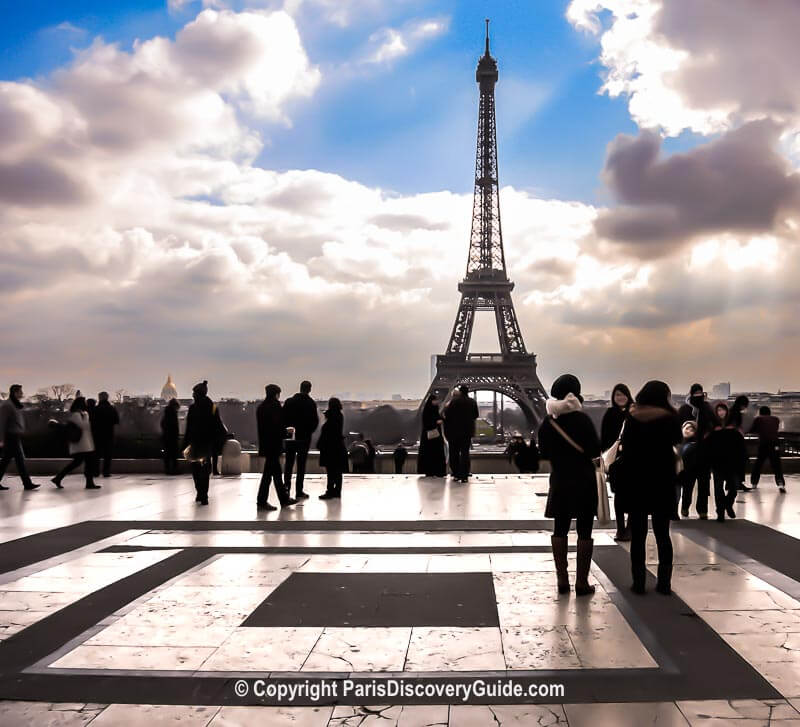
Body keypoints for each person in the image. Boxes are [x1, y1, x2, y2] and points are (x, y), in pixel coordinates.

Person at [537, 374, 600, 597]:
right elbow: (594, 451)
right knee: (584, 530)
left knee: (560, 527)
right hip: (583, 478)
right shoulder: (583, 420)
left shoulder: (549, 422)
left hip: (561, 478)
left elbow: (543, 452)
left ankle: (562, 580)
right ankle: (581, 581)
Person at [618, 381, 681, 595]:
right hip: (662, 480)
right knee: (663, 534)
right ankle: (664, 583)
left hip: (637, 481)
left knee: (638, 536)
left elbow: (625, 449)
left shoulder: (632, 416)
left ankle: (638, 582)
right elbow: (677, 440)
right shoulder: (670, 417)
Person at [677, 383, 719, 519]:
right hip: (689, 452)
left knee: (703, 483)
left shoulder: (706, 408)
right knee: (689, 483)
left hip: (703, 452)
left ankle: (702, 510)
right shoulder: (686, 409)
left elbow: (715, 425)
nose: (698, 396)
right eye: (696, 393)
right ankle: (685, 506)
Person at [601, 383, 633, 541]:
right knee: (619, 496)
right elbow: (604, 439)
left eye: (623, 394)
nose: (620, 398)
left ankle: (629, 528)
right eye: (617, 395)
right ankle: (621, 528)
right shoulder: (610, 414)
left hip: (632, 461)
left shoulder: (634, 413)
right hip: (616, 463)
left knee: (633, 496)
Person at [256, 384, 296, 511]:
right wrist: (287, 432)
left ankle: (281, 499)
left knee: (273, 474)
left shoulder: (261, 408)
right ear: (276, 394)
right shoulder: (275, 407)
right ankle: (265, 500)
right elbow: (277, 427)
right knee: (271, 475)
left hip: (266, 445)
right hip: (274, 445)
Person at [183, 381, 223, 505]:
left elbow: (189, 427)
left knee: (195, 469)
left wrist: (186, 442)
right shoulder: (213, 407)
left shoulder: (193, 408)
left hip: (195, 442)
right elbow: (217, 425)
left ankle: (200, 492)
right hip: (207, 442)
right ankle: (204, 494)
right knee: (205, 469)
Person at [52, 397, 100, 489]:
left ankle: (58, 478)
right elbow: (83, 426)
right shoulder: (76, 415)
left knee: (80, 463)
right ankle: (88, 483)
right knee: (82, 463)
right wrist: (87, 417)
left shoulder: (82, 414)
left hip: (85, 444)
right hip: (80, 444)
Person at [282, 380, 319, 500]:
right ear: (309, 389)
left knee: (288, 464)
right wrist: (307, 432)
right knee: (301, 465)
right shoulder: (311, 403)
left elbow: (283, 418)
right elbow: (315, 422)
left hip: (290, 438)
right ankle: (299, 491)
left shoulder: (289, 402)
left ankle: (286, 489)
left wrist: (288, 431)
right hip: (304, 438)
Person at [0, 384, 40, 491]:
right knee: (18, 461)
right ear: (15, 392)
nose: (22, 394)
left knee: (7, 461)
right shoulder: (7, 405)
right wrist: (1, 439)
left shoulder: (14, 404)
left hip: (15, 436)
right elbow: (2, 423)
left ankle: (27, 484)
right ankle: (27, 484)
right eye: (20, 392)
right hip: (11, 437)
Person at [707, 412, 746, 522]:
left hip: (730, 464)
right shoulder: (715, 433)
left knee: (733, 489)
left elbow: (742, 450)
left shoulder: (734, 433)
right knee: (720, 489)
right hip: (719, 464)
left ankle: (726, 505)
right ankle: (721, 511)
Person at [443, 385, 479, 483]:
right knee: (465, 454)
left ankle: (456, 474)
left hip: (453, 432)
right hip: (467, 432)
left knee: (453, 453)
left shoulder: (453, 402)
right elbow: (476, 415)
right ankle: (464, 475)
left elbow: (447, 416)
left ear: (460, 392)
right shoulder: (472, 402)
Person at [750, 406, 786, 493]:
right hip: (775, 444)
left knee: (759, 464)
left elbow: (752, 430)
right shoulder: (776, 419)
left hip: (764, 444)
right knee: (776, 465)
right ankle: (781, 484)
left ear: (760, 412)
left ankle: (754, 483)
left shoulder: (758, 419)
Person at [317, 397, 347, 499]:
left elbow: (326, 433)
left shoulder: (331, 417)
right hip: (338, 448)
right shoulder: (340, 416)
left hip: (330, 448)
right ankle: (337, 491)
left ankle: (330, 491)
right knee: (338, 471)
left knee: (330, 471)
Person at [92, 391, 119, 478]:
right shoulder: (112, 408)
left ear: (99, 398)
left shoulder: (95, 409)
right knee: (108, 455)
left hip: (97, 434)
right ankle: (106, 472)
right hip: (108, 434)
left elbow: (92, 421)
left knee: (96, 455)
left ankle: (95, 472)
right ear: (107, 398)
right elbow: (116, 421)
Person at [418, 393, 446, 477]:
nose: (436, 402)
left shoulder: (430, 409)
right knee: (436, 454)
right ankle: (436, 471)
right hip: (433, 436)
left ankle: (432, 471)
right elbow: (427, 423)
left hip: (431, 437)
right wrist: (436, 422)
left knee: (431, 454)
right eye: (435, 400)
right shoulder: (430, 410)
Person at [161, 398, 180, 475]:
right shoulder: (173, 413)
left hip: (167, 437)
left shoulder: (166, 413)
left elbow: (162, 424)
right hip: (172, 437)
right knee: (173, 454)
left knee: (168, 455)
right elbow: (174, 426)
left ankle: (168, 469)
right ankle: (174, 469)